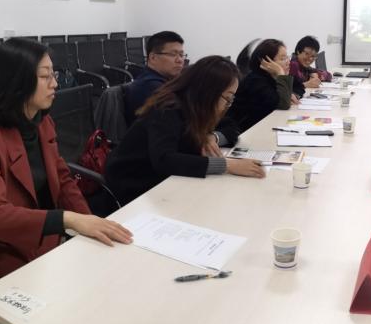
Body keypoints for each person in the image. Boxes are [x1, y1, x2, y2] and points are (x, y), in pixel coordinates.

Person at [0, 39, 133, 324]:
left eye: (53, 74)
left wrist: (89, 224)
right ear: (18, 81)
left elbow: (63, 180)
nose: (55, 83)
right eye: (45, 76)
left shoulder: (43, 123)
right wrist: (69, 220)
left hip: (45, 244)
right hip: (1, 252)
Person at [105, 56, 265, 206]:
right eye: (227, 98)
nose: (228, 105)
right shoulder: (168, 109)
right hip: (135, 184)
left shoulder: (199, 107)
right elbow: (165, 160)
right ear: (209, 92)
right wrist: (227, 165)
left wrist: (212, 137)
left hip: (167, 180)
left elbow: (232, 128)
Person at [226, 39, 295, 132]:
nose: (288, 62)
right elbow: (283, 105)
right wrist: (280, 73)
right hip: (242, 132)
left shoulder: (269, 78)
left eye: (287, 57)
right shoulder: (256, 81)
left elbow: (296, 90)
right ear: (266, 62)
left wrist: (289, 92)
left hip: (260, 128)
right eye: (283, 59)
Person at [124, 31, 186, 124]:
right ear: (153, 58)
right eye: (173, 54)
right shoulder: (150, 87)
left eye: (181, 55)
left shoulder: (165, 81)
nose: (180, 60)